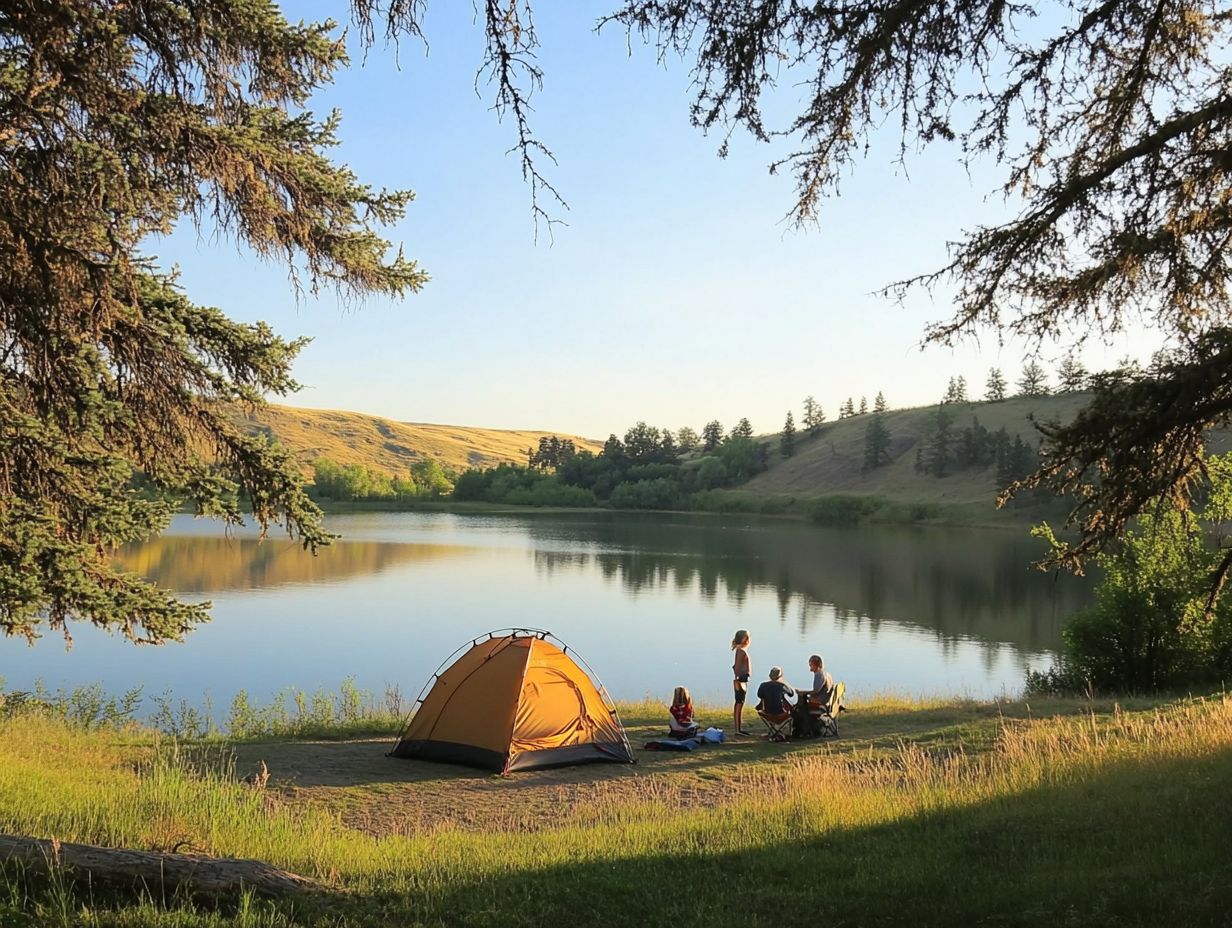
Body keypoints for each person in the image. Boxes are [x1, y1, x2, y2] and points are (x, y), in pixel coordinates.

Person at [731, 629, 751, 736]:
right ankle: (738, 730)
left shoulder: (740, 650)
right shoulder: (741, 651)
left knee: (740, 703)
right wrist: (738, 680)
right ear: (745, 639)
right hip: (741, 680)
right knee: (739, 703)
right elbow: (737, 667)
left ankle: (739, 728)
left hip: (742, 679)